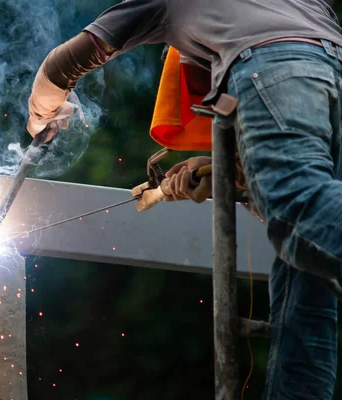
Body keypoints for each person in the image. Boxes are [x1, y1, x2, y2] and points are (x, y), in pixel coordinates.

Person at [26, 1, 342, 399]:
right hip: (330, 71)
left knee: (296, 208)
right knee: (306, 272)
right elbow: (292, 121)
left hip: (270, 63)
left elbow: (70, 59)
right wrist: (222, 173)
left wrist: (40, 114)